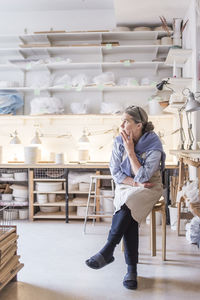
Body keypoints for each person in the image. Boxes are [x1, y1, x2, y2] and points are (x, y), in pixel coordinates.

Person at [85, 105, 166, 290]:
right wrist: (135, 183)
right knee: (128, 208)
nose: (121, 124)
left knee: (128, 206)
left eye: (126, 121)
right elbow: (115, 172)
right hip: (127, 185)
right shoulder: (118, 141)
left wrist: (130, 151)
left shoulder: (153, 144)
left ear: (139, 125)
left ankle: (109, 251)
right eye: (121, 120)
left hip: (150, 188)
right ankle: (130, 270)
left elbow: (145, 177)